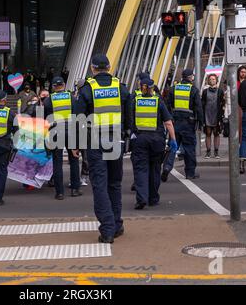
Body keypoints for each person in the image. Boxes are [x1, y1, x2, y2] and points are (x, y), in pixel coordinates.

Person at [74, 54, 131, 244]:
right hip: (116, 141)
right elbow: (130, 114)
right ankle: (117, 225)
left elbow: (78, 120)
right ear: (108, 66)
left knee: (99, 185)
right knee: (114, 184)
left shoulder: (87, 89)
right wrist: (127, 135)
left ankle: (107, 229)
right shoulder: (120, 87)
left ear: (93, 68)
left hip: (95, 143)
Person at [131, 78, 177, 210]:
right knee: (155, 168)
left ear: (141, 87)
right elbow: (168, 122)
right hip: (157, 140)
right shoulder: (158, 102)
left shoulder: (135, 101)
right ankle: (153, 198)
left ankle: (141, 198)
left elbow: (130, 119)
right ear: (152, 88)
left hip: (140, 139)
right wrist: (173, 139)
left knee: (141, 169)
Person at [43, 77, 82, 200]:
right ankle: (75, 189)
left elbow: (46, 120)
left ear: (53, 86)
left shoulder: (49, 100)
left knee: (57, 162)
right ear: (64, 85)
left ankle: (59, 193)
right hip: (71, 132)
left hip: (56, 132)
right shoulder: (72, 98)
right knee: (74, 160)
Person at [163, 69, 204, 181]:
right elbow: (198, 108)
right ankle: (190, 173)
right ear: (190, 77)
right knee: (189, 148)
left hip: (175, 122)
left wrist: (170, 118)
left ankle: (167, 167)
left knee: (173, 146)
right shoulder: (193, 90)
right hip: (188, 124)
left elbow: (167, 105)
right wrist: (201, 122)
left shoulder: (173, 89)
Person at [202, 74, 225, 159]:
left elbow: (223, 103)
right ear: (208, 81)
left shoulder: (220, 91)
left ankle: (216, 152)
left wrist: (222, 116)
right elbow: (202, 104)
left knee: (216, 133)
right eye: (210, 79)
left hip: (217, 115)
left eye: (214, 79)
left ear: (216, 80)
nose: (212, 80)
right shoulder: (205, 92)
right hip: (207, 115)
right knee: (208, 133)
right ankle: (208, 152)